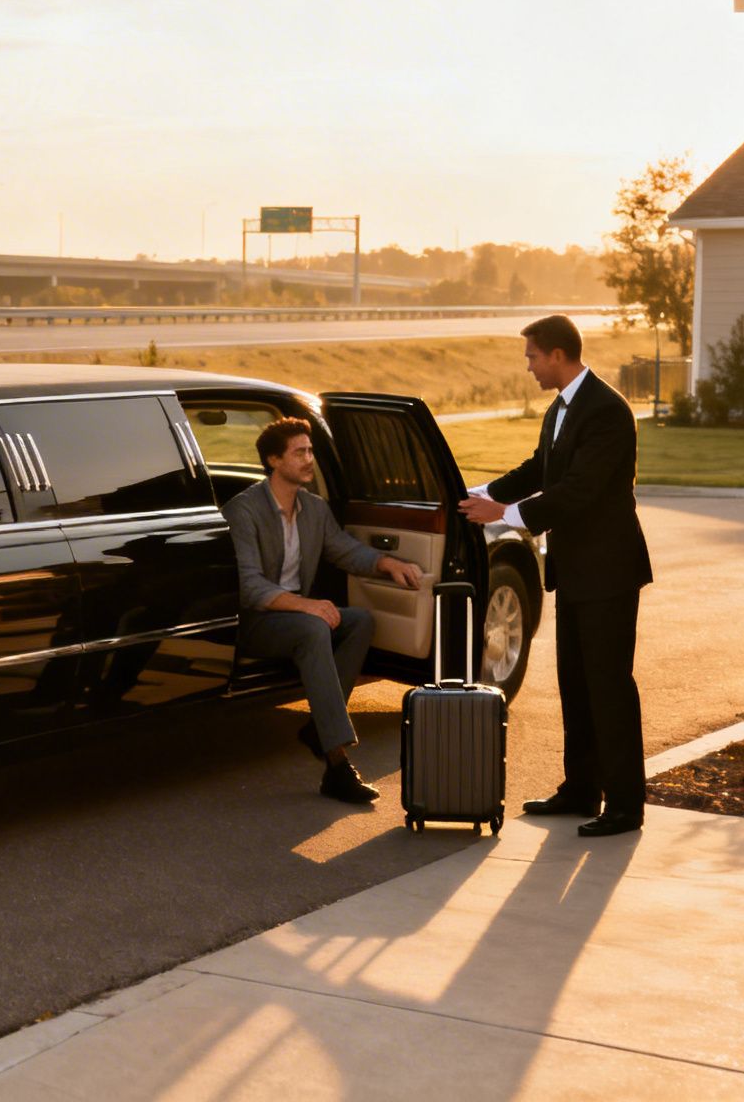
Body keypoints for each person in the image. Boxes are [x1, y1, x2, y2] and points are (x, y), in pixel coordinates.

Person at [459, 314, 653, 837]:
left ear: (558, 356)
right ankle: (581, 789)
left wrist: (504, 515)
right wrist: (482, 493)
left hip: (609, 572)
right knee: (576, 683)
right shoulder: (561, 408)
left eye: (532, 357)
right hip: (574, 571)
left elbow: (579, 492)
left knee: (609, 686)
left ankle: (625, 805)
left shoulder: (608, 412)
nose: (528, 367)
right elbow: (539, 469)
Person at [226, 417, 423, 804]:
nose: (309, 459)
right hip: (256, 622)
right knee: (315, 627)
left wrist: (388, 564)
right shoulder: (244, 511)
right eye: (299, 452)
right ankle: (337, 765)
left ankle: (321, 727)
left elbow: (345, 549)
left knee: (361, 621)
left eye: (310, 451)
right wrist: (306, 605)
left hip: (296, 618)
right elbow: (249, 587)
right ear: (273, 460)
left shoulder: (313, 509)